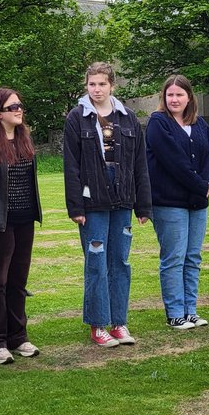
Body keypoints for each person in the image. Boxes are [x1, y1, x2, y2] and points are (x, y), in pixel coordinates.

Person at [63, 62, 152, 347]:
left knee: (120, 262)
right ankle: (98, 325)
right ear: (86, 86)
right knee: (96, 263)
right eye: (92, 84)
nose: (97, 89)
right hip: (92, 203)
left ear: (112, 85)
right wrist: (75, 207)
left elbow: (140, 164)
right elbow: (71, 166)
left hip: (123, 200)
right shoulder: (77, 119)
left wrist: (143, 205)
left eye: (102, 84)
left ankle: (119, 323)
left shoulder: (128, 119)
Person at [0, 87, 42, 364]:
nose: (19, 110)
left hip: (24, 219)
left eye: (20, 105)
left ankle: (18, 337)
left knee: (18, 281)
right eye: (12, 107)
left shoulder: (24, 139)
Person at [145, 74, 209, 330]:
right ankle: (175, 313)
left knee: (193, 257)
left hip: (196, 203)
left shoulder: (200, 124)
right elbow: (174, 162)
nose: (174, 99)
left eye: (179, 94)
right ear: (164, 98)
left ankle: (190, 310)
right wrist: (200, 185)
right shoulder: (158, 124)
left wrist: (202, 188)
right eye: (170, 95)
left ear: (189, 97)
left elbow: (207, 160)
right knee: (174, 257)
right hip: (168, 202)